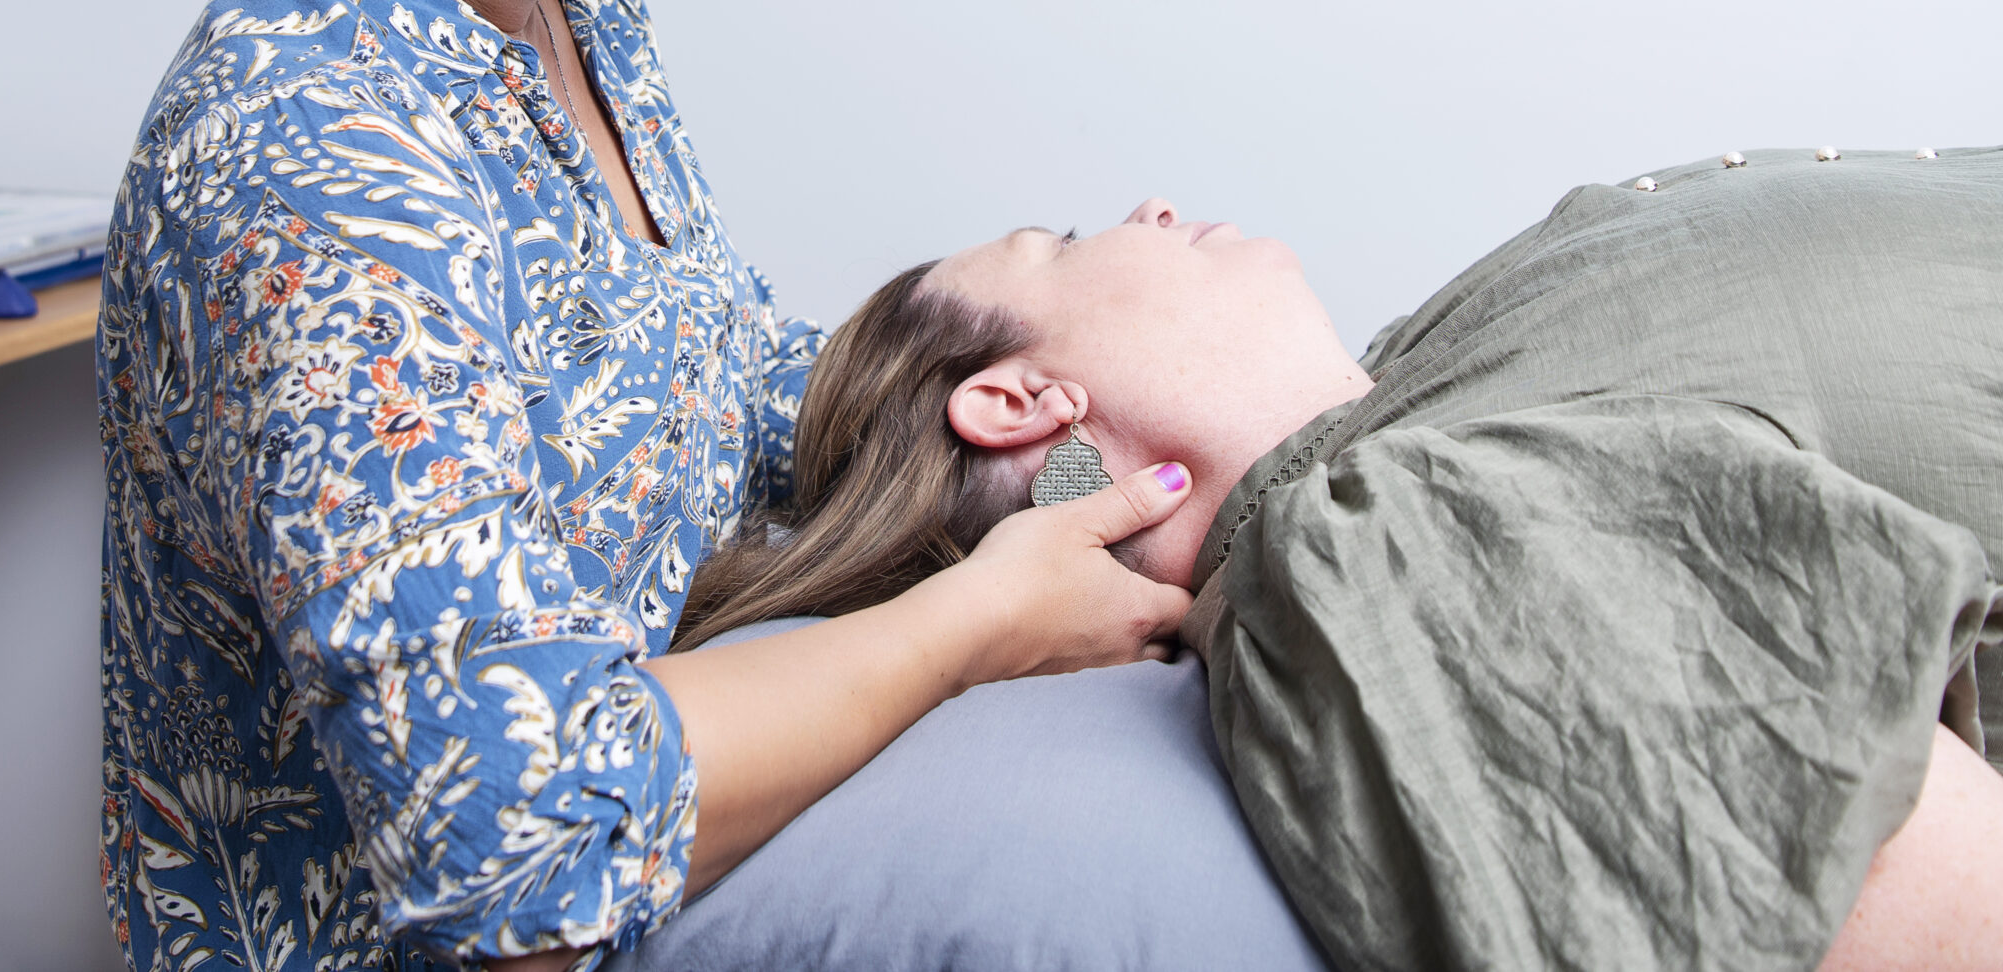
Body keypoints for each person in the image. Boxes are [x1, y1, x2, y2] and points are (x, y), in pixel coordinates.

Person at [97, 0, 1197, 972]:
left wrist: (1056, 454)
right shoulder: (313, 170)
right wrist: (971, 625)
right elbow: (512, 855)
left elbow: (696, 386)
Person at [678, 147, 2003, 972]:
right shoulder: (1396, 550)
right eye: (1070, 244)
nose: (1150, 202)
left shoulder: (1411, 429)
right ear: (1022, 405)